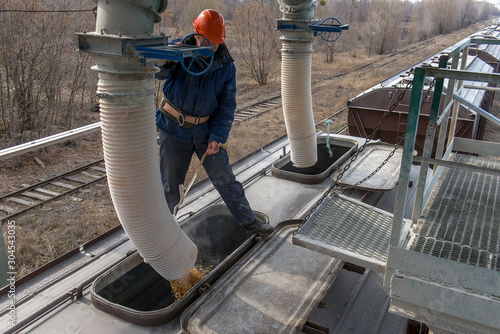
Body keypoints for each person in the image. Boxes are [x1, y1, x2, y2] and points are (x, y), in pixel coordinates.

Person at [155, 9, 273, 234]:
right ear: (196, 34)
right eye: (207, 41)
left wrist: (217, 137)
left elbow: (227, 105)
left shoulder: (226, 66)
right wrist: (168, 59)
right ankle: (161, 235)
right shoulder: (178, 51)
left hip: (205, 133)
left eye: (216, 43)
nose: (211, 48)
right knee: (170, 187)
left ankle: (249, 223)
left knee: (225, 179)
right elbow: (158, 73)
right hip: (173, 129)